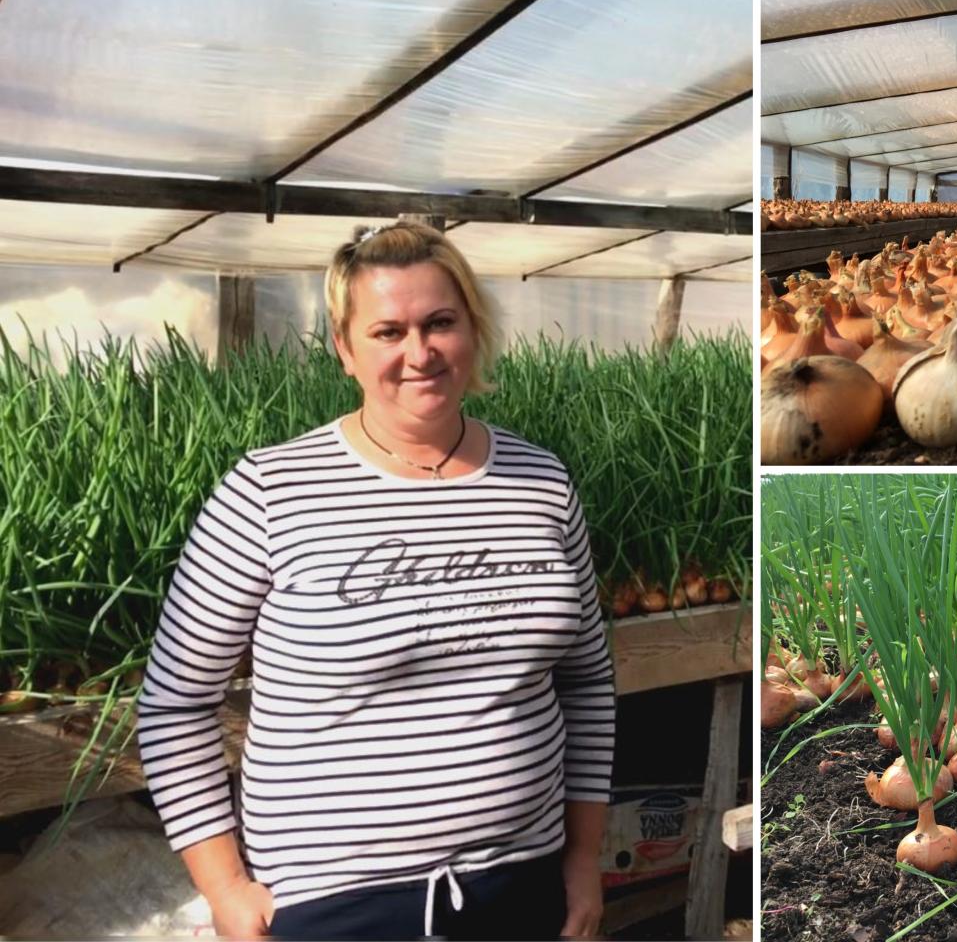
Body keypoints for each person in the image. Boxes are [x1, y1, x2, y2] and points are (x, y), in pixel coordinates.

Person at [136, 222, 616, 941]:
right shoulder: (270, 489)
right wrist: (227, 887)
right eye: (388, 331)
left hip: (524, 882)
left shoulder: (539, 480)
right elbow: (175, 704)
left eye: (440, 324)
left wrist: (583, 858)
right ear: (345, 349)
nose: (419, 353)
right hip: (335, 904)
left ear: (472, 331)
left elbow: (586, 682)